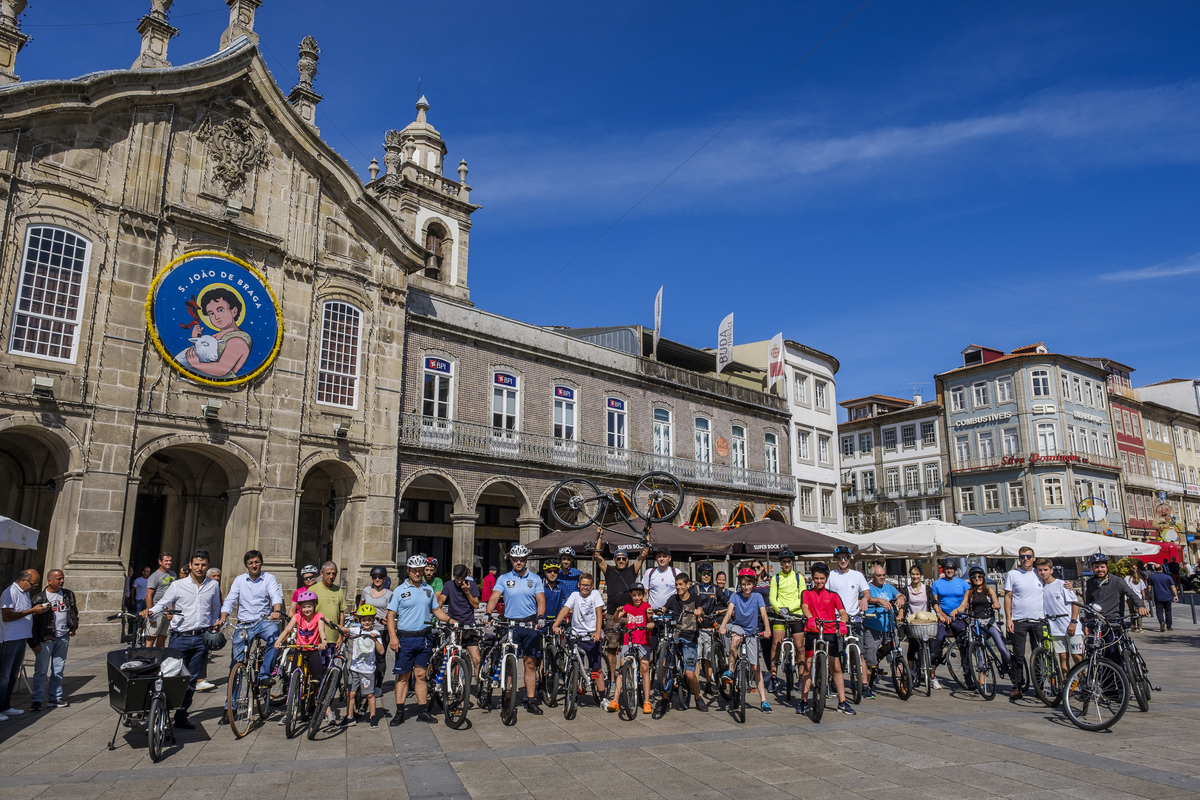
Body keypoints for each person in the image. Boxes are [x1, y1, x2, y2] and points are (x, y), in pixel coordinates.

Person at [144, 550, 223, 730]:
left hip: (201, 638)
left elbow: (215, 609)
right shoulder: (178, 585)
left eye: (203, 565)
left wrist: (213, 627)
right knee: (171, 676)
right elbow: (163, 603)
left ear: (207, 565)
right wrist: (150, 612)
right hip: (180, 638)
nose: (200, 568)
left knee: (191, 679)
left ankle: (181, 716)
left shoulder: (213, 585)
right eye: (196, 564)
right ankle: (161, 713)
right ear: (190, 565)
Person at [388, 556, 454, 725]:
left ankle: (422, 711)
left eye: (420, 570)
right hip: (405, 638)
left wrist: (450, 620)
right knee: (403, 676)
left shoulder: (428, 590)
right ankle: (400, 712)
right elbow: (390, 616)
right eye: (414, 570)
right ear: (408, 571)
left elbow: (437, 610)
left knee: (421, 675)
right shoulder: (399, 590)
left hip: (424, 638)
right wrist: (393, 637)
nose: (417, 573)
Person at [486, 544, 546, 715]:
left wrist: (540, 616)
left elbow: (540, 600)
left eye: (522, 559)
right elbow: (494, 597)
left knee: (530, 663)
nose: (519, 562)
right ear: (510, 560)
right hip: (511, 625)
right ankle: (507, 699)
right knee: (510, 665)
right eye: (515, 559)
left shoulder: (534, 578)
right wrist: (488, 613)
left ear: (526, 560)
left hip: (529, 624)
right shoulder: (503, 578)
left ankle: (531, 699)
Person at [593, 530, 649, 701]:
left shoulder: (633, 570)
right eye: (618, 558)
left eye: (624, 558)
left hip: (631, 614)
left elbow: (644, 554)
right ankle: (612, 678)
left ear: (627, 560)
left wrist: (647, 534)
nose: (622, 561)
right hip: (612, 615)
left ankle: (631, 675)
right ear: (615, 560)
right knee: (612, 648)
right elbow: (596, 555)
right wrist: (600, 537)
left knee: (634, 644)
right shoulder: (609, 571)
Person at [218, 550, 284, 688]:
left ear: (261, 563)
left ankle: (265, 675)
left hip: (263, 621)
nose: (254, 565)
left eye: (257, 562)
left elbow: (275, 596)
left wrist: (276, 610)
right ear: (246, 565)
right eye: (250, 563)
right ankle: (231, 705)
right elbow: (230, 600)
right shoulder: (239, 580)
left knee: (275, 638)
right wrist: (222, 618)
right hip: (244, 624)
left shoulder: (269, 578)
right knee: (236, 663)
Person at [800, 562, 854, 716]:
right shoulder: (807, 593)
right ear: (812, 578)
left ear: (826, 578)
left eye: (822, 578)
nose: (819, 581)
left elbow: (843, 612)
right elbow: (804, 606)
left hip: (830, 631)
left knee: (836, 667)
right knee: (808, 668)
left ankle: (842, 702)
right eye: (816, 578)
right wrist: (810, 617)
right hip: (813, 630)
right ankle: (803, 701)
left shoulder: (833, 595)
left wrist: (843, 622)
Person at [719, 568, 772, 713]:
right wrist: (723, 626)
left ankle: (764, 700)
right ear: (739, 585)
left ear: (753, 584)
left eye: (749, 584)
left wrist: (767, 629)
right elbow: (729, 612)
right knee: (735, 639)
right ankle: (730, 670)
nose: (746, 587)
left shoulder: (757, 597)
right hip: (738, 627)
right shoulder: (735, 596)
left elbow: (763, 613)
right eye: (743, 584)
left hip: (752, 632)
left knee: (756, 667)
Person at [553, 572, 607, 705]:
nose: (585, 587)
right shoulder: (574, 595)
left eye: (588, 585)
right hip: (577, 636)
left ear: (592, 586)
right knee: (575, 665)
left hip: (591, 635)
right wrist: (556, 624)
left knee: (596, 668)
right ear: (578, 585)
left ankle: (603, 697)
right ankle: (573, 693)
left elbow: (599, 613)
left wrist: (597, 631)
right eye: (583, 585)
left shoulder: (595, 595)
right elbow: (565, 609)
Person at [663, 573, 714, 712]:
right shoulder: (673, 599)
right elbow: (664, 608)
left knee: (690, 674)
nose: (678, 587)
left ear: (687, 585)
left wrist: (699, 612)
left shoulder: (694, 598)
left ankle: (698, 697)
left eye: (681, 584)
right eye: (676, 584)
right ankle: (665, 699)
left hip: (690, 637)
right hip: (675, 636)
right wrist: (656, 611)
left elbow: (701, 611)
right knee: (664, 666)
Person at [1, 569, 48, 719]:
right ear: (23, 580)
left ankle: (5, 706)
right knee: (3, 676)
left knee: (13, 675)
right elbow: (6, 616)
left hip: (21, 637)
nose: (34, 588)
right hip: (9, 639)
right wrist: (31, 611)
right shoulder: (9, 593)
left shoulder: (24, 593)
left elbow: (23, 612)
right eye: (33, 584)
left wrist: (35, 611)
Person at [274, 590, 327, 723]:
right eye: (304, 606)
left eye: (309, 606)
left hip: (313, 650)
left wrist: (323, 641)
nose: (307, 609)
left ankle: (320, 705)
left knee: (318, 678)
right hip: (300, 650)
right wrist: (279, 641)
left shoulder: (319, 616)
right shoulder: (297, 617)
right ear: (300, 608)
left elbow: (321, 630)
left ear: (315, 605)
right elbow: (287, 630)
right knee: (293, 678)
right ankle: (290, 711)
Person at [29, 569, 78, 712]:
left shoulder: (68, 594)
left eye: (62, 578)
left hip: (62, 636)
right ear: (49, 580)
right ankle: (37, 700)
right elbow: (33, 623)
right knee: (41, 670)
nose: (61, 581)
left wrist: (73, 626)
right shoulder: (39, 599)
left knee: (58, 669)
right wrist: (34, 643)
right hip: (45, 638)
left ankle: (55, 697)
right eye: (58, 579)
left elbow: (73, 612)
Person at [826, 546, 869, 698]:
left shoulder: (857, 575)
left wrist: (864, 598)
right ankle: (831, 680)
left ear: (850, 559)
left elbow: (866, 592)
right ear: (835, 560)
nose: (843, 560)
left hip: (854, 618)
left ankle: (864, 685)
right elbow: (825, 595)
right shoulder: (831, 575)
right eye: (840, 558)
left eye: (845, 558)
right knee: (835, 654)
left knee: (860, 653)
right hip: (837, 619)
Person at [1003, 546, 1043, 700]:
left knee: (1038, 654)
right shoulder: (1012, 574)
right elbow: (1008, 596)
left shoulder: (1039, 572)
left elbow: (1053, 584)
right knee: (1018, 655)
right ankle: (1017, 686)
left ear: (1034, 558)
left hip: (1038, 620)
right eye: (1022, 556)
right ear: (1018, 558)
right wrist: (1008, 618)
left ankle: (1039, 687)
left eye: (1028, 556)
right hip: (1019, 620)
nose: (1025, 559)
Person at [610, 583, 654, 714]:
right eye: (634, 595)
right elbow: (615, 618)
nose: (637, 598)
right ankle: (615, 700)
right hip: (628, 641)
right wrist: (618, 612)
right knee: (622, 667)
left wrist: (650, 623)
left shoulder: (646, 607)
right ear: (631, 595)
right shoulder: (628, 606)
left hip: (643, 641)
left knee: (644, 667)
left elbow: (650, 618)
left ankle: (647, 701)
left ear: (643, 595)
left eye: (639, 595)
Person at [862, 563, 905, 698]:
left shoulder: (889, 587)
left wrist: (901, 599)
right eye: (878, 575)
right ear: (872, 576)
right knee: (871, 659)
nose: (882, 578)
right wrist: (879, 601)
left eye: (883, 575)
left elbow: (900, 595)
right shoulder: (868, 588)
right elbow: (866, 598)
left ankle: (901, 684)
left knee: (896, 655)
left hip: (890, 627)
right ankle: (867, 686)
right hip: (872, 627)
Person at [959, 565, 1010, 675]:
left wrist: (995, 605)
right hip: (976, 623)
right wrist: (955, 611)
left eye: (980, 576)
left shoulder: (989, 591)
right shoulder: (969, 592)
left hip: (989, 622)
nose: (977, 578)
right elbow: (962, 606)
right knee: (980, 651)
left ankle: (1013, 667)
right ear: (971, 579)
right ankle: (981, 681)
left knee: (1001, 647)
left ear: (983, 577)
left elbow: (997, 604)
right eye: (974, 577)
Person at [767, 549, 806, 692]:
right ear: (781, 563)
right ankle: (773, 676)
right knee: (776, 644)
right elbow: (772, 597)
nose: (787, 564)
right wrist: (780, 610)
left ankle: (801, 678)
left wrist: (789, 609)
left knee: (799, 646)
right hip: (780, 615)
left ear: (793, 562)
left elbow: (803, 596)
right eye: (784, 562)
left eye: (789, 562)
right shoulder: (775, 578)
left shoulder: (799, 578)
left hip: (796, 614)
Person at [929, 558, 969, 690]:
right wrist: (942, 615)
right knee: (938, 640)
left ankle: (968, 675)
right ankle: (932, 676)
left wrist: (957, 612)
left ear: (955, 570)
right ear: (943, 570)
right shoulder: (937, 583)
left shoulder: (963, 583)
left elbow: (967, 601)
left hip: (958, 618)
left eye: (951, 568)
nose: (949, 570)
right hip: (942, 617)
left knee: (965, 644)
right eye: (947, 568)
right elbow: (935, 602)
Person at [1036, 558, 1081, 675]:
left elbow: (1075, 604)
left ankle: (1084, 683)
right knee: (1063, 656)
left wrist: (1074, 622)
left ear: (1051, 570)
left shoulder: (1062, 584)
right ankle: (1067, 685)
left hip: (1070, 624)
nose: (1043, 572)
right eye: (1040, 570)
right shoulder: (1040, 587)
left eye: (1045, 570)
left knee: (1077, 656)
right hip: (1055, 627)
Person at [342, 604, 385, 727]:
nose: (367, 622)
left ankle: (373, 716)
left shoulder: (375, 633)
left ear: (373, 620)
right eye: (364, 620)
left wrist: (375, 640)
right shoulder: (357, 630)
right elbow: (345, 630)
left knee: (369, 694)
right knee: (351, 693)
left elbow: (381, 651)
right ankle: (349, 717)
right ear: (359, 621)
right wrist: (333, 625)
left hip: (367, 671)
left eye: (369, 620)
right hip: (354, 669)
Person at [693, 561, 728, 694]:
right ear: (699, 574)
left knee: (708, 658)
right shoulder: (694, 588)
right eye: (703, 573)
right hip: (697, 627)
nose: (706, 576)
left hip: (710, 626)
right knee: (697, 658)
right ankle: (695, 683)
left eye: (708, 574)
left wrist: (731, 603)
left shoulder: (715, 589)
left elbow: (725, 599)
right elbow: (689, 602)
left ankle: (708, 683)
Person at [1083, 553, 1149, 624]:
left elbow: (1131, 594)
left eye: (1102, 567)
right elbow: (1088, 603)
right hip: (1095, 620)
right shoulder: (1090, 582)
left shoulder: (1117, 581)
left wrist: (1141, 606)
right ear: (1092, 568)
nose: (1100, 569)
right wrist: (1087, 622)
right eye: (1096, 567)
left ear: (1107, 567)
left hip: (1113, 620)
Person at [443, 564, 481, 673]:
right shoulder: (448, 585)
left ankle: (478, 681)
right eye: (457, 578)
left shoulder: (471, 585)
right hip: (453, 626)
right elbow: (441, 599)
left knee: (477, 659)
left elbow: (476, 605)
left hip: (468, 625)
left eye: (462, 578)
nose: (459, 581)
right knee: (451, 656)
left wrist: (467, 592)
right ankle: (450, 679)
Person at [362, 566, 394, 695]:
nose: (377, 579)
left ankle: (378, 685)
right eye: (374, 577)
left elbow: (390, 613)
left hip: (382, 629)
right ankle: (366, 682)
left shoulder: (389, 594)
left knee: (380, 657)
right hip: (367, 628)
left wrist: (386, 619)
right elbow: (361, 606)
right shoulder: (366, 591)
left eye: (380, 577)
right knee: (366, 656)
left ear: (384, 578)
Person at [313, 562, 348, 667]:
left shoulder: (338, 591)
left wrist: (340, 636)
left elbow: (341, 613)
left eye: (334, 574)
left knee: (332, 668)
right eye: (328, 573)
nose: (331, 576)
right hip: (317, 638)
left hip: (334, 638)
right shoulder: (313, 590)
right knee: (318, 669)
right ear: (321, 573)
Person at [899, 565, 931, 679]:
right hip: (911, 621)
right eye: (913, 574)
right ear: (910, 575)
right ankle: (911, 670)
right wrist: (901, 613)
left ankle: (930, 673)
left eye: (917, 574)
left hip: (926, 621)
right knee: (912, 645)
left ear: (920, 575)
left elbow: (933, 601)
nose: (915, 576)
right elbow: (903, 602)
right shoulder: (906, 589)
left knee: (929, 645)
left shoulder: (926, 588)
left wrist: (939, 613)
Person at [145, 552, 176, 647]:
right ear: (160, 562)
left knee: (163, 636)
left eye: (170, 560)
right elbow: (149, 595)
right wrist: (151, 612)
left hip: (168, 610)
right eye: (166, 561)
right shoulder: (155, 576)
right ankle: (148, 657)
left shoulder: (173, 574)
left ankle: (159, 657)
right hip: (157, 609)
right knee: (151, 636)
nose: (169, 563)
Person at [641, 546, 681, 611]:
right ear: (656, 558)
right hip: (654, 614)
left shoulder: (676, 572)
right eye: (659, 556)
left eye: (664, 556)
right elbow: (643, 593)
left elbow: (682, 591)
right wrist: (646, 608)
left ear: (669, 558)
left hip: (672, 614)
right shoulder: (650, 572)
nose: (662, 559)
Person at [1146, 561, 1180, 631]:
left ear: (1155, 569)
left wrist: (1149, 594)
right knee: (1168, 611)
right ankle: (1169, 626)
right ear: (1162, 568)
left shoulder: (1152, 577)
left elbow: (1149, 587)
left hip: (1158, 597)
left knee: (1159, 611)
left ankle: (1161, 621)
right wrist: (1175, 595)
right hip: (1167, 596)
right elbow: (1173, 587)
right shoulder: (1168, 577)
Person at [1125, 562, 1147, 632]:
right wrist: (1143, 599)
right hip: (1138, 598)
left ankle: (1133, 626)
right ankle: (1140, 628)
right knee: (1139, 612)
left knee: (1131, 612)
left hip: (1129, 598)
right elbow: (1142, 592)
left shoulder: (1127, 578)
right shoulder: (1140, 580)